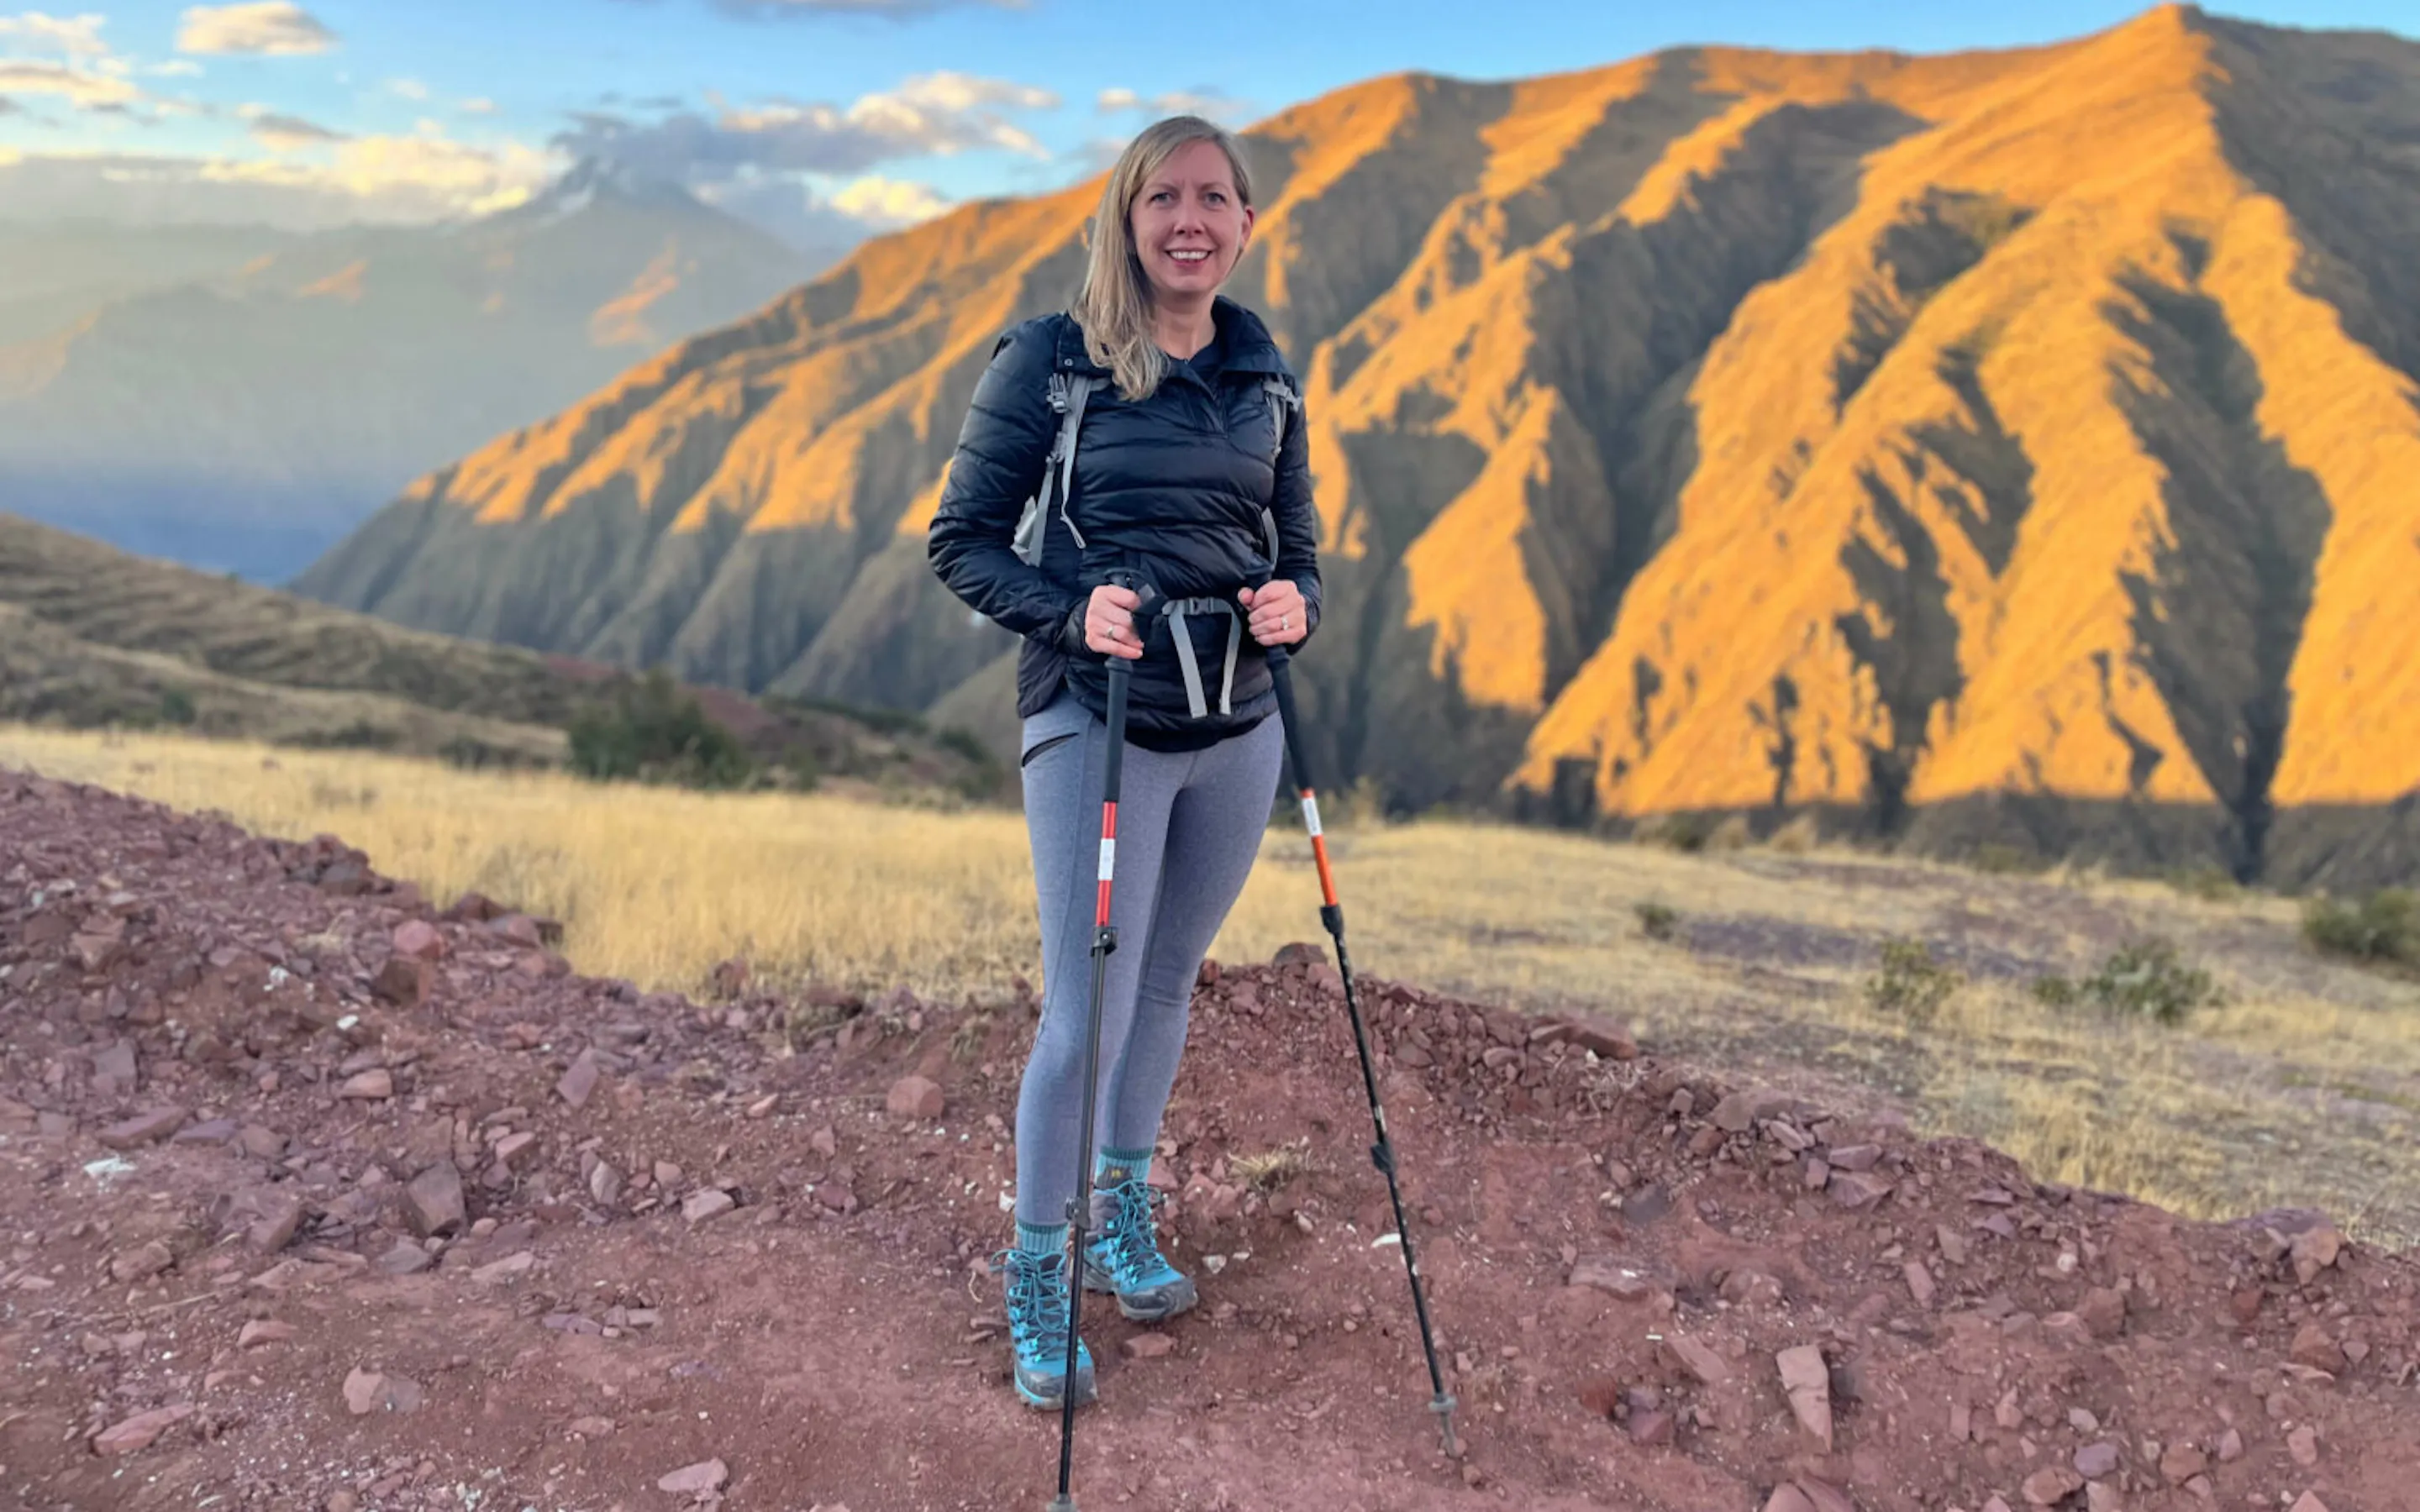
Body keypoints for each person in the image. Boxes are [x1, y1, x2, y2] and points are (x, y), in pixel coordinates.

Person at [926, 114, 1321, 1410]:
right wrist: (1066, 607)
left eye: (1216, 199)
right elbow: (963, 540)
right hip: (1097, 721)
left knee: (1166, 983)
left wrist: (1295, 605)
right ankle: (1039, 1271)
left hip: (1238, 727)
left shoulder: (1267, 371)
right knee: (1083, 1009)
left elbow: (1297, 541)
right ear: (1126, 214)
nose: (1190, 220)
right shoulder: (1053, 359)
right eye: (1166, 198)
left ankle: (1121, 1212)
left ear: (1247, 222)